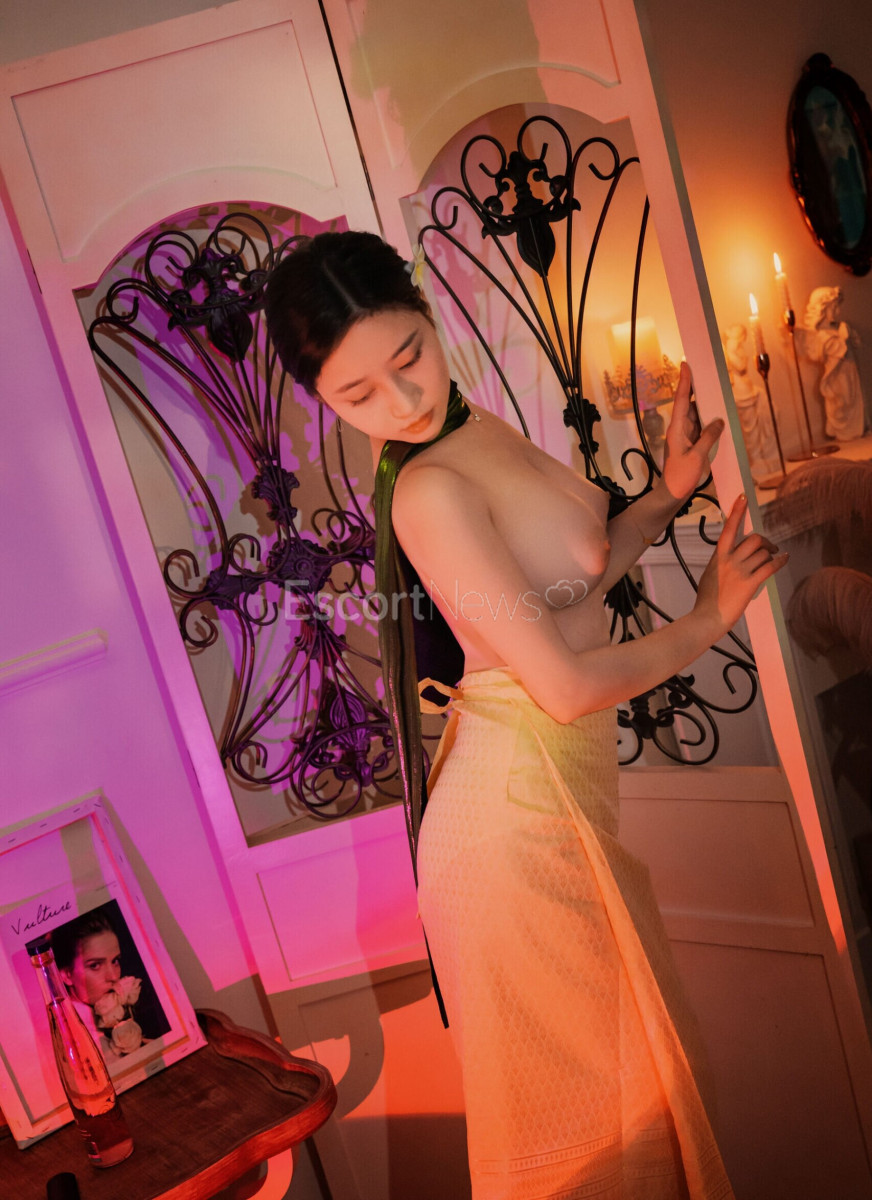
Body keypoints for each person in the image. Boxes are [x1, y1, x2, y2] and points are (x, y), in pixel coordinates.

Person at [264, 230, 786, 1200]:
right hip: (510, 831)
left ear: (427, 316)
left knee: (640, 1097)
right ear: (322, 401)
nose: (403, 402)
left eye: (410, 357)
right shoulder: (426, 491)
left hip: (546, 801)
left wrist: (665, 496)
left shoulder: (469, 425)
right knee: (601, 1135)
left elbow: (569, 583)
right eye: (358, 396)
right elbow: (564, 684)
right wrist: (705, 620)